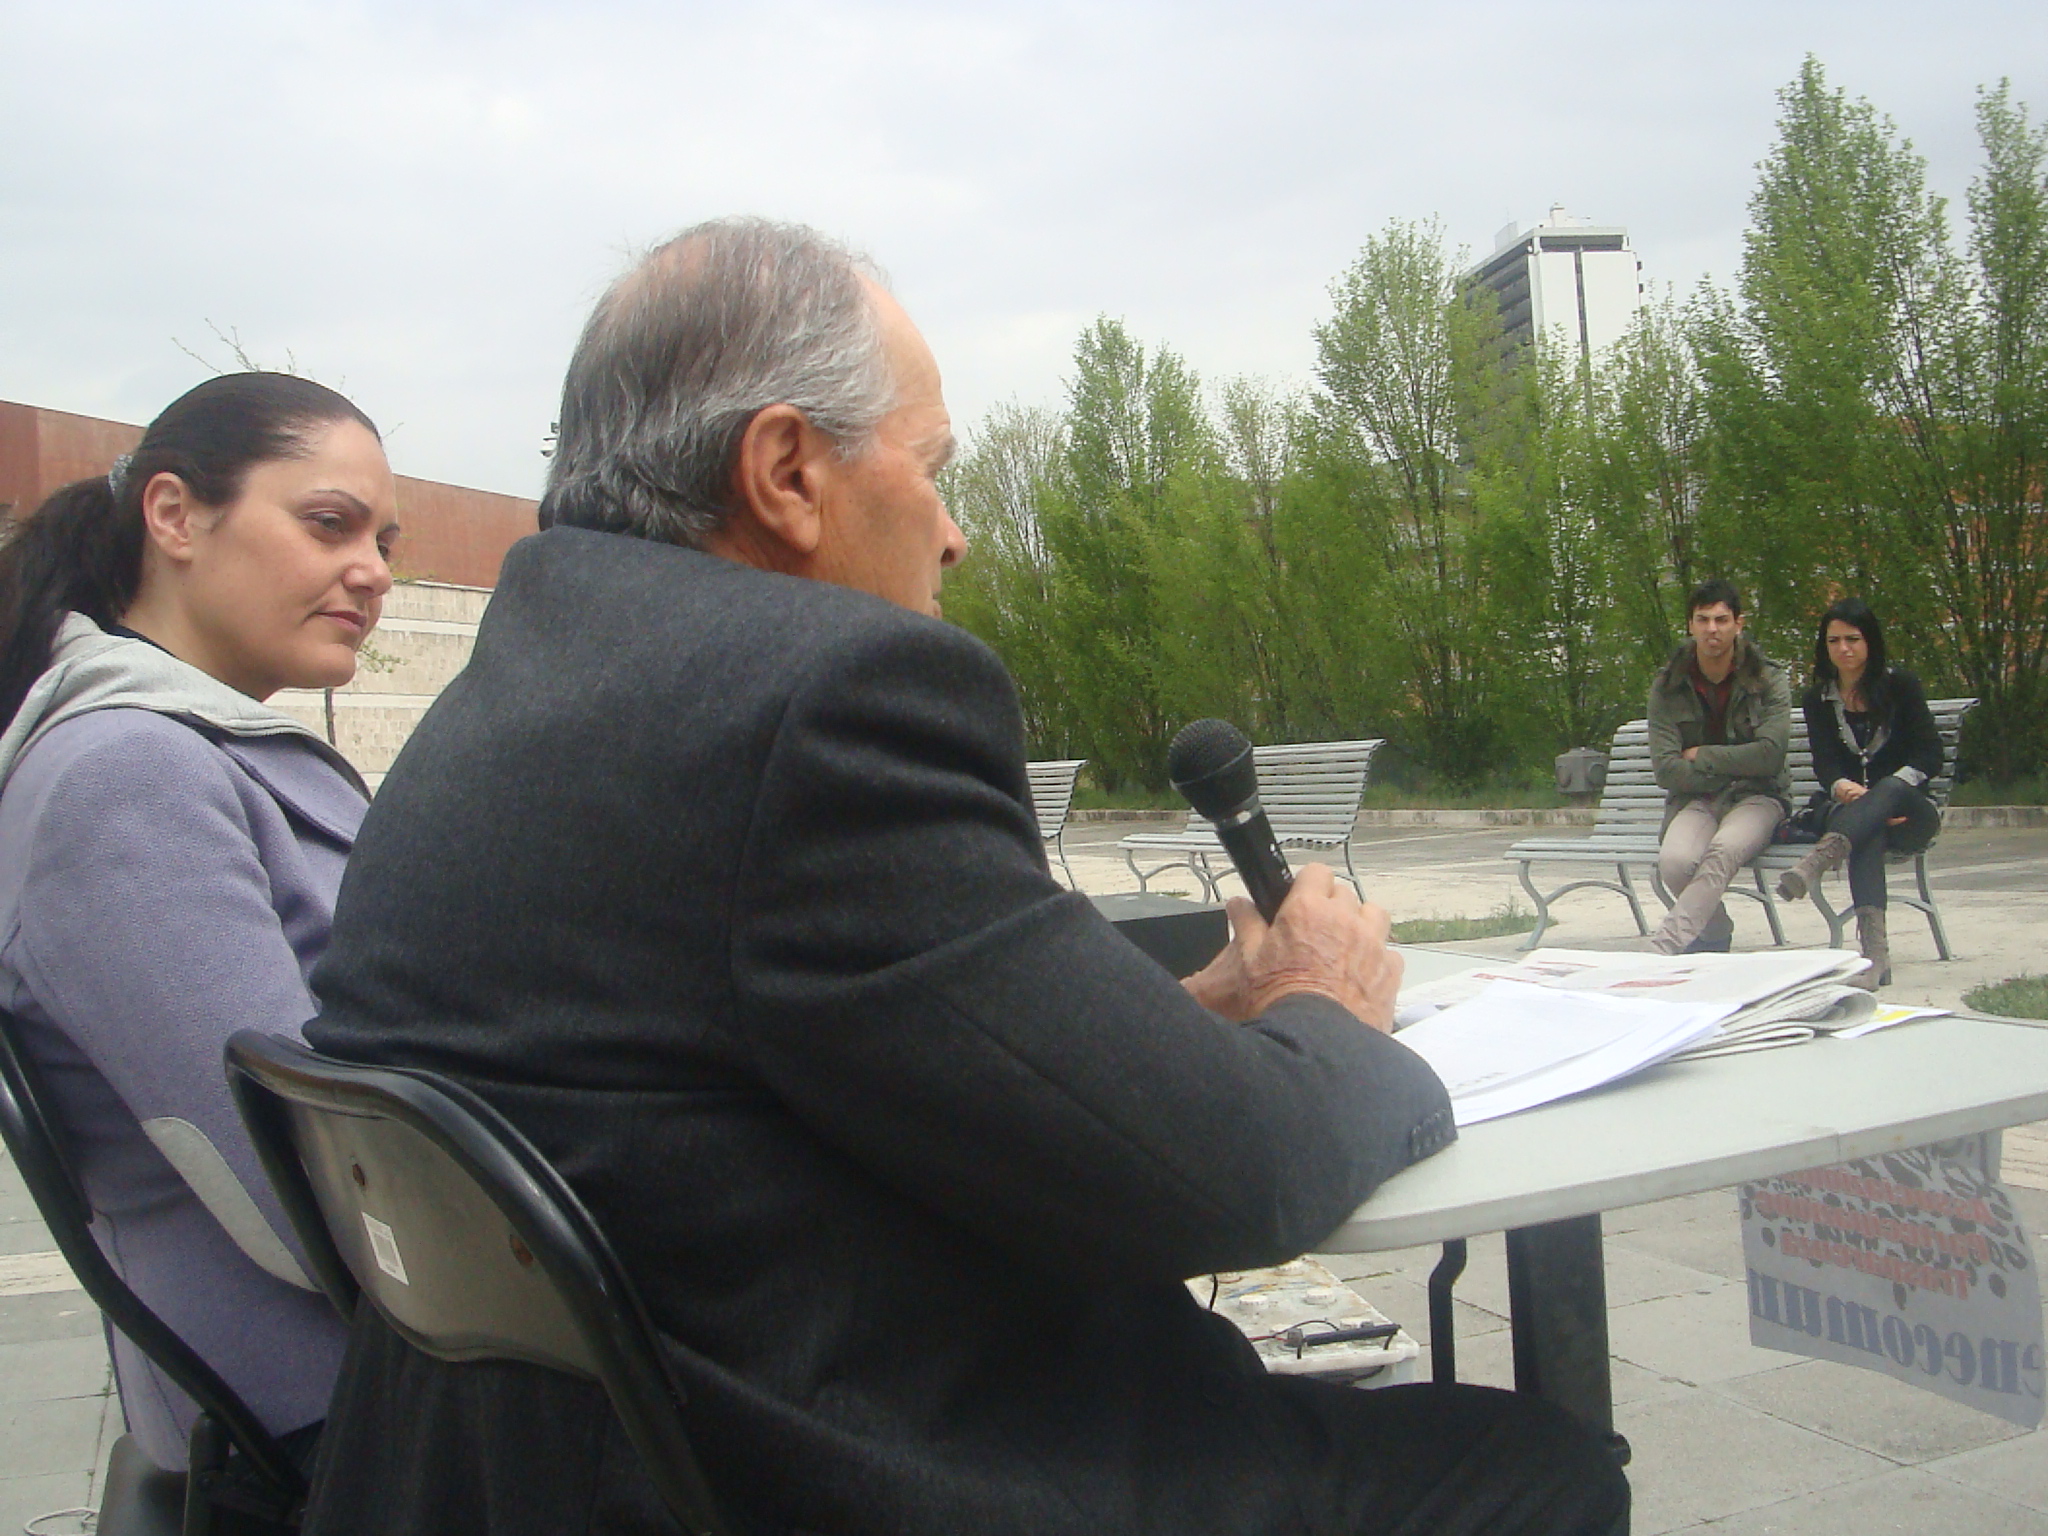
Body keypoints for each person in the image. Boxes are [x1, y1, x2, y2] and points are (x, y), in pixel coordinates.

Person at [301, 218, 1629, 1536]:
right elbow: (1233, 1183)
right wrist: (1325, 1000)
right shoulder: (817, 701)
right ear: (786, 470)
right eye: (932, 469)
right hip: (859, 1473)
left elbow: (779, 1064)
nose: (954, 534)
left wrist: (1171, 1026)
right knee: (1536, 1468)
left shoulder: (495, 717)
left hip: (554, 1478)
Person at [0, 373, 399, 1473]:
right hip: (333, 1422)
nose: (373, 570)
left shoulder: (184, 751)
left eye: (382, 540)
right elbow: (299, 1184)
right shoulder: (128, 775)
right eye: (329, 523)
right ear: (174, 516)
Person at [1774, 598, 1942, 988]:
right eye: (1834, 641)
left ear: (1870, 642)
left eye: (1852, 639)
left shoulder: (1901, 687)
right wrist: (1840, 786)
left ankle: (1817, 862)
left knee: (1886, 792)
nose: (1844, 648)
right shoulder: (1818, 699)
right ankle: (1875, 957)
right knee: (1866, 832)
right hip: (1850, 816)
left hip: (1909, 813)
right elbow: (1825, 763)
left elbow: (1930, 755)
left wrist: (1888, 793)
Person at [1644, 579, 1791, 953]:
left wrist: (1703, 755)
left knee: (1722, 850)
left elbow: (1770, 756)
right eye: (1703, 619)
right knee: (1675, 862)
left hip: (1759, 797)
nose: (1712, 629)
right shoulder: (1667, 686)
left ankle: (1666, 945)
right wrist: (1738, 764)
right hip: (1696, 798)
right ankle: (1715, 932)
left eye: (1722, 620)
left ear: (1738, 624)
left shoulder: (1768, 678)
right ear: (1690, 625)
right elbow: (1666, 770)